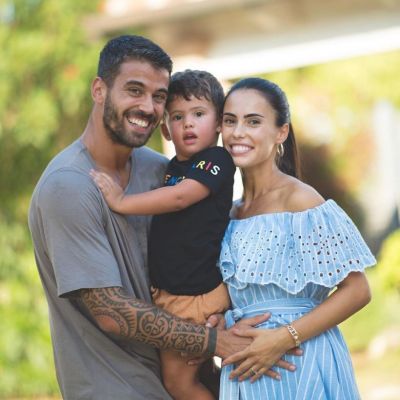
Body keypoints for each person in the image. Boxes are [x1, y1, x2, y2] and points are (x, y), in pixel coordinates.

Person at [27, 36, 269, 400]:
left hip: (184, 378)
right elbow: (112, 312)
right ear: (99, 90)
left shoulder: (163, 171)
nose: (147, 106)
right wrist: (214, 340)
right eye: (134, 90)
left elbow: (209, 240)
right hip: (116, 389)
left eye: (158, 96)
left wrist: (215, 311)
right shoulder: (69, 186)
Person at [217, 77, 376, 399]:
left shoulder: (300, 201)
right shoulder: (229, 213)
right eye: (230, 121)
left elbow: (357, 290)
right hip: (247, 369)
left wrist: (282, 339)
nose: (238, 132)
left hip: (301, 360)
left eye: (253, 121)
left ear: (281, 132)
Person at [90, 69, 235, 400]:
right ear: (166, 129)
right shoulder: (173, 167)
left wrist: (121, 201)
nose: (188, 124)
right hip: (175, 296)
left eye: (198, 114)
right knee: (203, 376)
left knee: (179, 384)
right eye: (178, 117)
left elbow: (181, 197)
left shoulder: (217, 160)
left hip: (193, 296)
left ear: (218, 123)